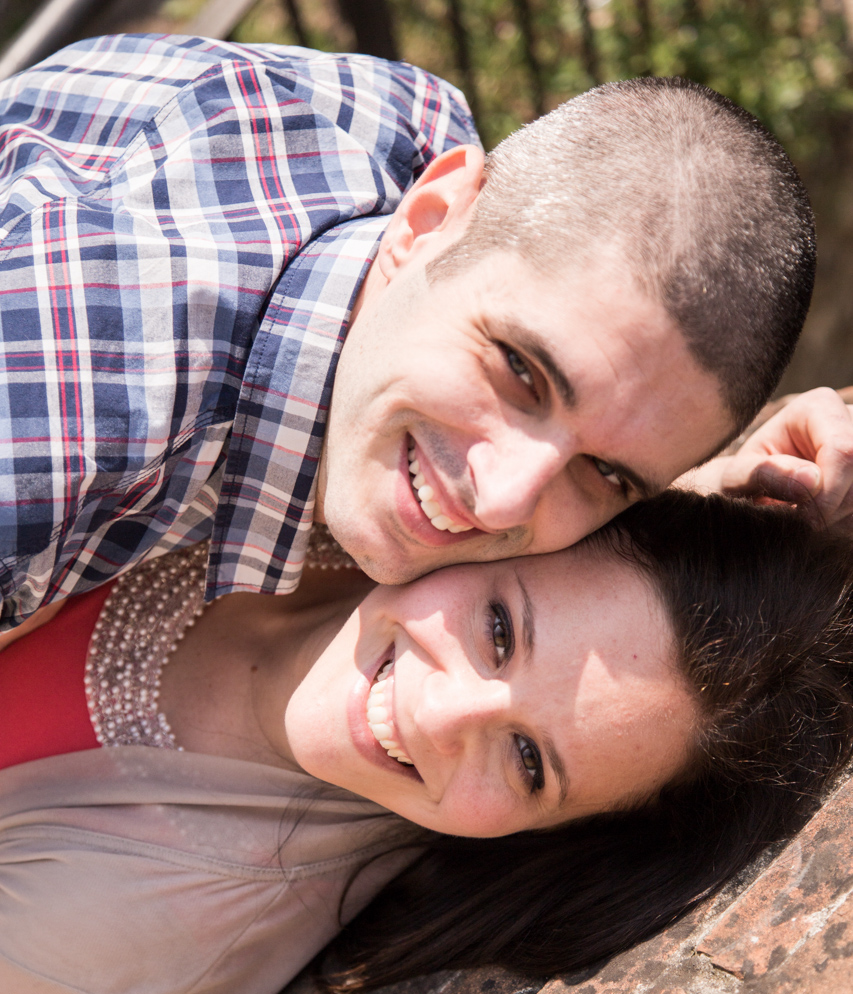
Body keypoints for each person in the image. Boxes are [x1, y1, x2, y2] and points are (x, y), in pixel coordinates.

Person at [3, 489, 853, 994]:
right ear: (521, 527)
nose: (437, 714)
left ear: (549, 832)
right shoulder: (360, 473)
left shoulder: (107, 950)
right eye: (498, 629)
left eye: (528, 764)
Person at [2, 33, 853, 643]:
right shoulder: (73, 417)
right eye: (522, 374)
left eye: (604, 475)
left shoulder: (412, 132)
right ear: (429, 218)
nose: (504, 499)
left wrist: (702, 508)